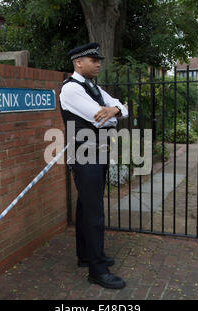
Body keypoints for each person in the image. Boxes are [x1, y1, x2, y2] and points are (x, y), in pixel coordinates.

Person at [59, 43, 128, 289]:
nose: (99, 63)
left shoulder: (94, 88)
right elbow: (99, 120)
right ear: (78, 63)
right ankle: (97, 270)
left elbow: (123, 109)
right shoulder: (71, 90)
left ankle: (86, 256)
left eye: (99, 59)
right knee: (95, 212)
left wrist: (115, 110)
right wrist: (112, 113)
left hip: (97, 153)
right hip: (84, 154)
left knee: (86, 207)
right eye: (93, 59)